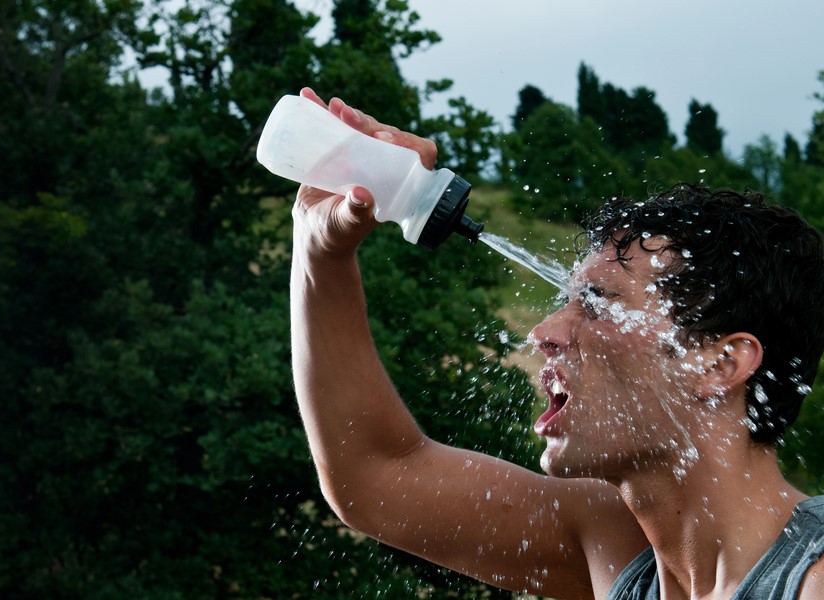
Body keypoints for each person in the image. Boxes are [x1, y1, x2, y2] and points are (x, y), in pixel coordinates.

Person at [289, 86, 824, 599]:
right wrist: (321, 252)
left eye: (598, 302)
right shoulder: (618, 545)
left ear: (719, 363)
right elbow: (378, 475)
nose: (543, 333)